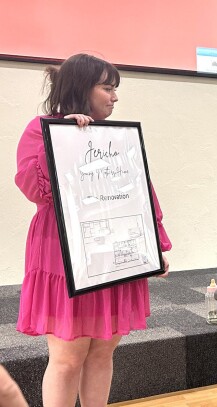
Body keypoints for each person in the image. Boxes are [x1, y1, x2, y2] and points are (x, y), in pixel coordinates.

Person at [14, 54, 172, 407]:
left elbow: (139, 190)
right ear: (81, 88)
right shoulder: (41, 129)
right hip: (63, 254)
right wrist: (64, 138)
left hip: (113, 251)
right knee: (68, 358)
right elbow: (34, 189)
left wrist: (153, 246)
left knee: (102, 354)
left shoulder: (115, 137)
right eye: (107, 87)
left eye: (115, 89)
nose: (114, 97)